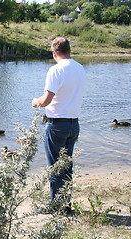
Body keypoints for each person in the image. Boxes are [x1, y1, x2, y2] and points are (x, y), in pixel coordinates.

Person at [32, 37, 86, 211]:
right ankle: (66, 205)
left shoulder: (55, 70)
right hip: (74, 125)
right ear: (69, 51)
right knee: (67, 166)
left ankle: (55, 206)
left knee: (55, 167)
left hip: (57, 125)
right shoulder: (80, 68)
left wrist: (35, 102)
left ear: (54, 53)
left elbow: (46, 100)